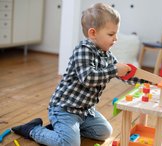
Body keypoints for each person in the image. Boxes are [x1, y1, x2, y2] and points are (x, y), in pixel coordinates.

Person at [12, 3, 147, 146]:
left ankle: (64, 130)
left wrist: (149, 81)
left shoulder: (107, 55)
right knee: (69, 144)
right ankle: (33, 129)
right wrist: (114, 70)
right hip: (65, 109)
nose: (116, 39)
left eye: (116, 34)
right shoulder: (83, 50)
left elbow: (124, 74)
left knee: (105, 132)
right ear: (93, 33)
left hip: (85, 111)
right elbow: (88, 78)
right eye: (111, 34)